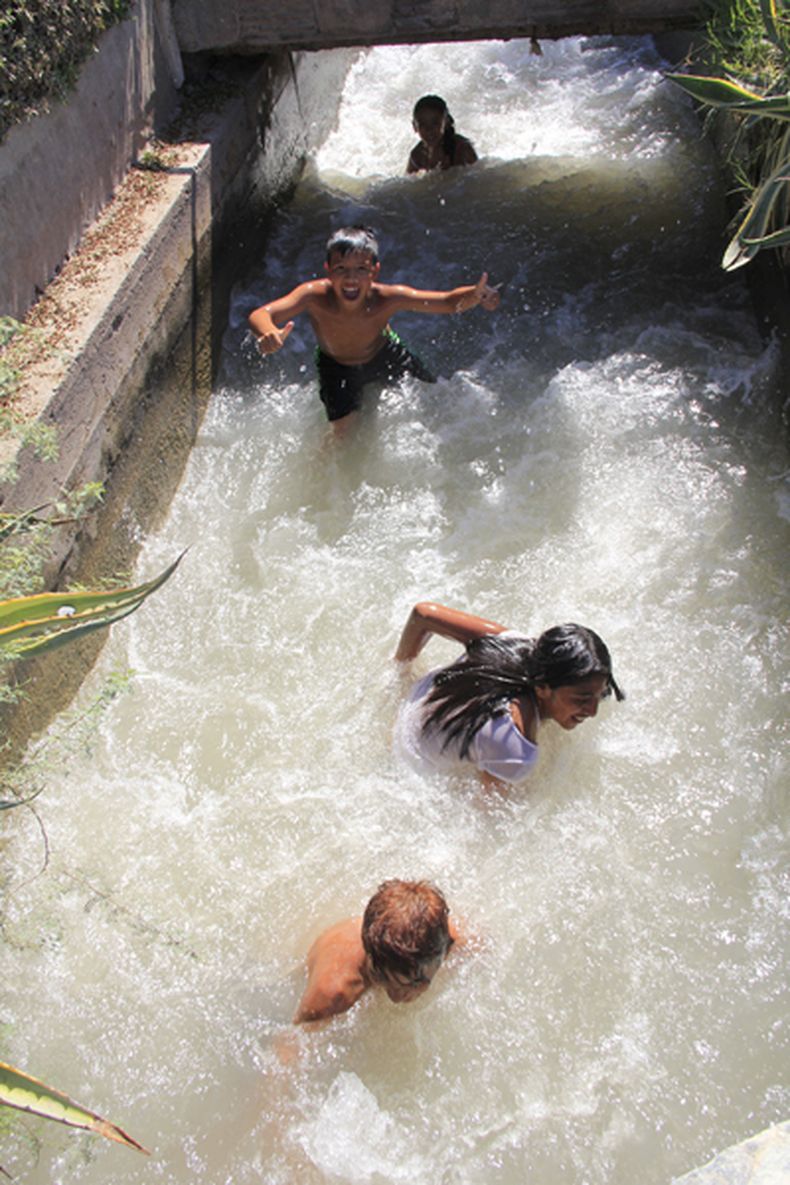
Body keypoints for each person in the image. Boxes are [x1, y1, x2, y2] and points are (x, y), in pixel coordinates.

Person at [248, 225, 499, 428]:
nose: (351, 278)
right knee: (343, 436)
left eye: (361, 269)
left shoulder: (387, 298)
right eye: (341, 269)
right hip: (336, 365)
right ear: (327, 270)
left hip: (385, 353)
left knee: (431, 395)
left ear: (374, 271)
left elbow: (446, 302)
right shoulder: (313, 296)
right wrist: (268, 333)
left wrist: (475, 295)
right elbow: (262, 313)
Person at [394, 602, 624, 790]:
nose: (593, 711)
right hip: (411, 755)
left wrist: (401, 671)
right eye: (582, 699)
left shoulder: (515, 643)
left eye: (600, 694)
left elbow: (423, 614)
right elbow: (485, 820)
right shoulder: (515, 748)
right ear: (543, 688)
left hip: (417, 697)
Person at [293, 879, 462, 1024]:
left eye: (413, 983)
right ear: (371, 959)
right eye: (384, 980)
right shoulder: (334, 992)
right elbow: (290, 1045)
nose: (395, 997)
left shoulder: (442, 938)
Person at [407, 95, 478, 174]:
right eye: (423, 124)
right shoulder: (417, 155)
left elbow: (480, 179)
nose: (429, 130)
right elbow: (406, 183)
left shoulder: (462, 149)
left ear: (446, 122)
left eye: (435, 123)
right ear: (415, 127)